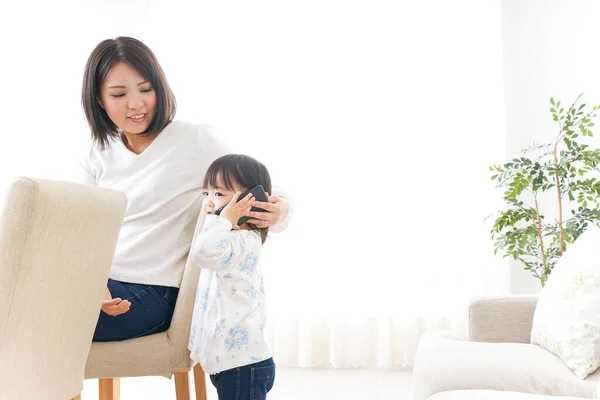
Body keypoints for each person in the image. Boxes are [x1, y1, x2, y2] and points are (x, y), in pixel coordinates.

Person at [79, 36, 292, 342]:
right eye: (118, 94)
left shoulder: (193, 140)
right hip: (103, 284)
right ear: (99, 99)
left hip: (156, 291)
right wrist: (97, 287)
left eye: (145, 89)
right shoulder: (97, 152)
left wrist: (280, 208)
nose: (136, 103)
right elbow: (84, 232)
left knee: (37, 322)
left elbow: (257, 185)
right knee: (24, 300)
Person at [189, 154, 276, 400]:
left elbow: (203, 253)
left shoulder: (243, 241)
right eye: (206, 193)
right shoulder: (226, 238)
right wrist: (218, 218)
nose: (208, 201)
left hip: (243, 365)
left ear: (249, 201)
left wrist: (222, 219)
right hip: (229, 362)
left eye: (218, 194)